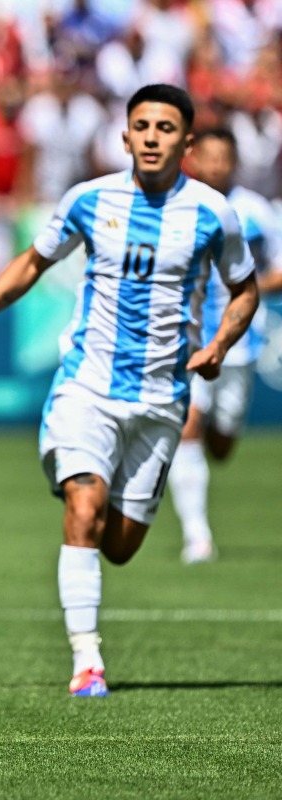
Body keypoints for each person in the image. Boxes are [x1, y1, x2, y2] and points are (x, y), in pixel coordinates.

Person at [0, 84, 258, 698]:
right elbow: (34, 260)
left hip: (162, 398)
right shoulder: (90, 199)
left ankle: (112, 515)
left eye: (166, 128)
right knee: (82, 507)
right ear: (126, 136)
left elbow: (244, 290)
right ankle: (88, 663)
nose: (153, 137)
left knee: (120, 545)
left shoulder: (214, 213)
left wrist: (218, 345)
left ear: (186, 142)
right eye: (143, 125)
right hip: (86, 385)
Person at [168, 128, 282, 564]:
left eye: (223, 158)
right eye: (208, 157)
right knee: (188, 427)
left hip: (239, 343)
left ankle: (217, 439)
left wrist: (245, 286)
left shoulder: (255, 211)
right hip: (189, 339)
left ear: (234, 161)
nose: (215, 165)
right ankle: (198, 538)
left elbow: (277, 270)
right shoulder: (179, 205)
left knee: (222, 442)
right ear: (194, 158)